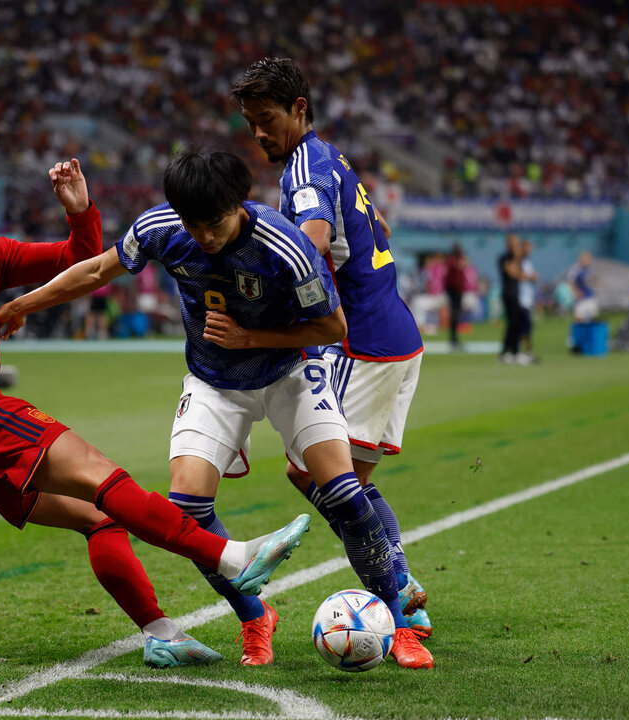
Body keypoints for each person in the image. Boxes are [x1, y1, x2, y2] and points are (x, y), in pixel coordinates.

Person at [0, 149, 309, 668]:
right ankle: (234, 557)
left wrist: (79, 209)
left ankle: (161, 632)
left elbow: (81, 259)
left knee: (99, 518)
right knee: (100, 474)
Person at [0, 150, 434, 669]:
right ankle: (254, 617)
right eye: (192, 223)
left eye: (214, 223)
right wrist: (24, 302)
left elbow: (333, 328)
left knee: (342, 492)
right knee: (187, 511)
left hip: (291, 372)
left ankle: (400, 626)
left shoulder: (285, 246)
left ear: (239, 204)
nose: (202, 235)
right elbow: (96, 271)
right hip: (213, 383)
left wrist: (251, 337)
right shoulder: (160, 226)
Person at [229, 58, 433, 651]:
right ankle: (401, 592)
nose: (259, 134)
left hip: (359, 343)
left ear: (299, 109)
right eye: (250, 123)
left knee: (319, 477)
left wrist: (262, 304)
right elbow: (377, 226)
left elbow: (313, 240)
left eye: (267, 120)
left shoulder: (304, 170)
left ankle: (401, 608)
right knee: (349, 487)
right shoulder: (330, 156)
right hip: (395, 338)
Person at [498, 233, 527, 363]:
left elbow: (520, 274)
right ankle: (508, 351)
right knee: (513, 321)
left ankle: (513, 350)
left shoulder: (518, 259)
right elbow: (513, 273)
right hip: (508, 293)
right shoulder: (505, 257)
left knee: (517, 322)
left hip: (516, 293)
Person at [518, 240, 539, 360]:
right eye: (527, 248)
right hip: (521, 300)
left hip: (528, 299)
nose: (529, 250)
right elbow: (517, 275)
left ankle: (527, 351)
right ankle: (524, 351)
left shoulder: (528, 262)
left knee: (528, 327)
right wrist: (531, 276)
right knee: (524, 326)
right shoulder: (519, 261)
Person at [444, 245, 468, 348]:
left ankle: (454, 338)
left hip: (457, 290)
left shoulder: (454, 261)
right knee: (455, 313)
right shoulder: (453, 261)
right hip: (454, 290)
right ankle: (453, 338)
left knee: (456, 314)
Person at [569, 250, 598, 322]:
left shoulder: (591, 269)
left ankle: (589, 332)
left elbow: (594, 280)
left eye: (587, 259)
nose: (585, 261)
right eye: (583, 259)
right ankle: (580, 332)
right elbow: (570, 281)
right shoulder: (576, 269)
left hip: (590, 296)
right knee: (579, 318)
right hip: (581, 298)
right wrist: (576, 291)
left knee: (592, 317)